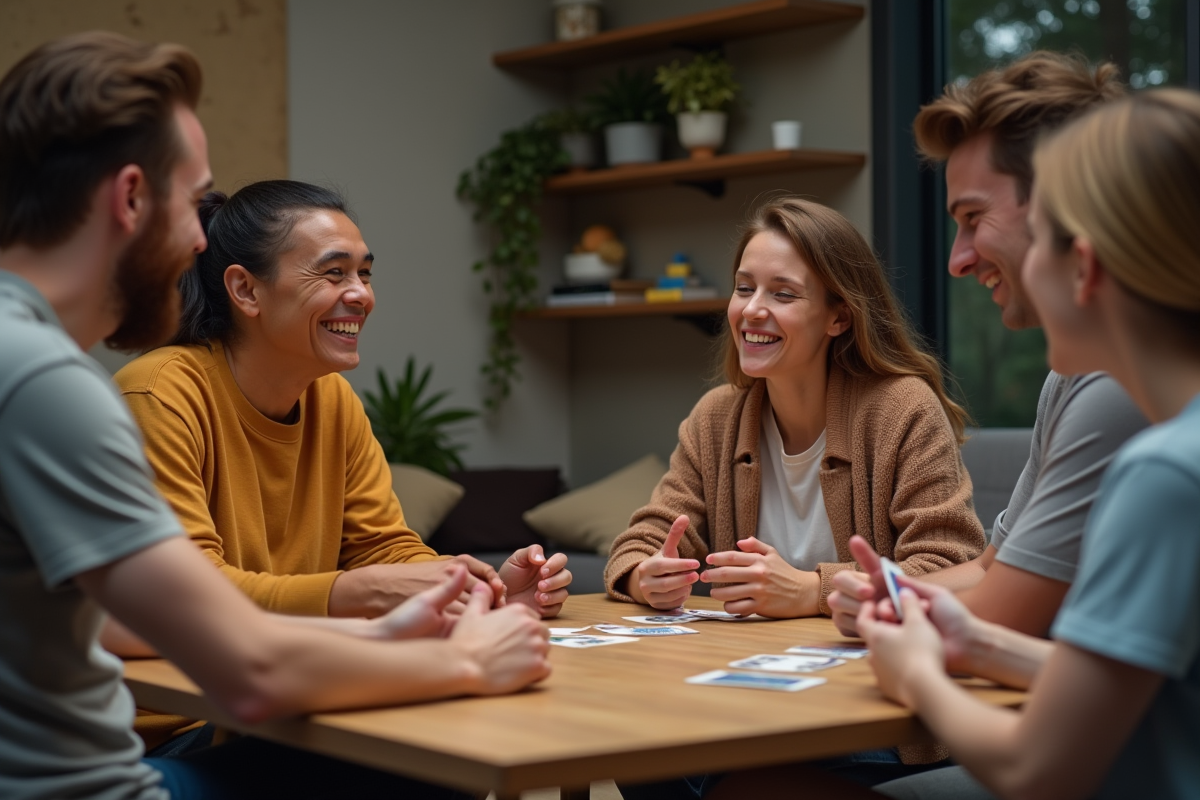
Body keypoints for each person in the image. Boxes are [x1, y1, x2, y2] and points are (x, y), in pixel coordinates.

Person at [0, 31, 549, 799]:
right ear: (129, 198)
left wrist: (406, 621)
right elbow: (248, 673)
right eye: (194, 205)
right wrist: (466, 660)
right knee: (437, 767)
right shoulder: (44, 381)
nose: (199, 236)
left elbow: (122, 620)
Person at [113, 180, 573, 751]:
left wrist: (478, 591)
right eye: (333, 274)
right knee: (444, 750)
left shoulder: (333, 400)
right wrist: (351, 593)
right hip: (174, 727)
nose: (360, 295)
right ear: (245, 290)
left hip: (292, 699)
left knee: (470, 738)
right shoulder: (160, 396)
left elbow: (385, 550)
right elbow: (188, 601)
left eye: (365, 273)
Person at [851, 86, 1200, 800]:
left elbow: (1037, 770)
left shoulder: (1166, 474)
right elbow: (1156, 686)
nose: (960, 261)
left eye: (1038, 236)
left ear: (1087, 265)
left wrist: (916, 672)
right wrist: (972, 641)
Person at [828, 51, 1147, 639]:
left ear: (1069, 206)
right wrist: (888, 592)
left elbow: (1000, 616)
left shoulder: (1120, 380)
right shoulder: (1071, 375)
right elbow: (989, 568)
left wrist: (886, 606)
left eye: (974, 218)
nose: (957, 260)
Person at [605, 196, 984, 619]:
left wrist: (812, 591)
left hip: (869, 663)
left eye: (783, 294)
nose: (751, 309)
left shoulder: (902, 409)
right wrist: (646, 577)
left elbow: (950, 567)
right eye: (744, 288)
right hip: (745, 669)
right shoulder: (715, 417)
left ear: (838, 317)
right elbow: (640, 543)